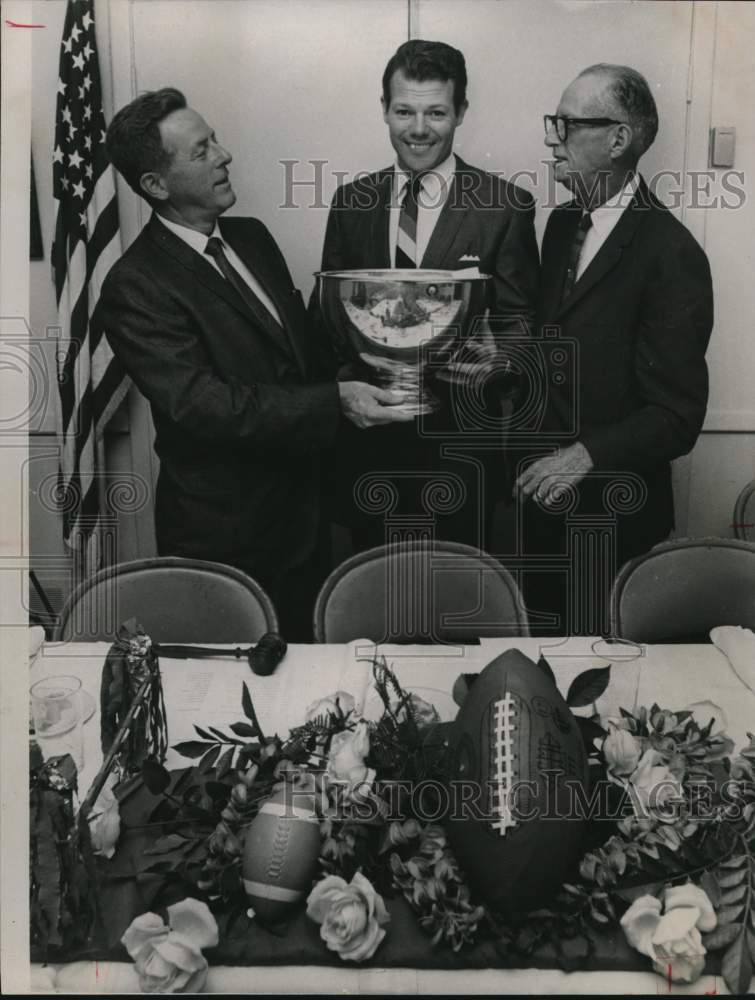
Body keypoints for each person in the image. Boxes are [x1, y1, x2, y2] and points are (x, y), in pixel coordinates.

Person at [97, 88, 411, 640]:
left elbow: (300, 357)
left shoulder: (252, 237)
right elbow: (206, 405)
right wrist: (335, 401)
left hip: (307, 520)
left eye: (214, 138)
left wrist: (383, 364)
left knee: (312, 689)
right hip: (226, 537)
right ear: (155, 185)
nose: (224, 155)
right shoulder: (134, 285)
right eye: (201, 151)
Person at [315, 39, 539, 554]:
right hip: (368, 450)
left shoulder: (504, 206)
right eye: (404, 111)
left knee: (457, 610)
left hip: (460, 452)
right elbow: (327, 322)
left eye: (436, 112)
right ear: (385, 111)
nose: (418, 129)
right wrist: (347, 390)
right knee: (369, 606)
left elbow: (520, 321)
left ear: (461, 112)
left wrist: (496, 363)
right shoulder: (352, 202)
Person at [515, 64, 713, 635]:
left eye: (567, 124)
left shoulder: (671, 253)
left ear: (619, 139)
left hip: (614, 524)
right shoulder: (559, 226)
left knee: (603, 698)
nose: (551, 138)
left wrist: (582, 455)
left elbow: (677, 417)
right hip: (542, 516)